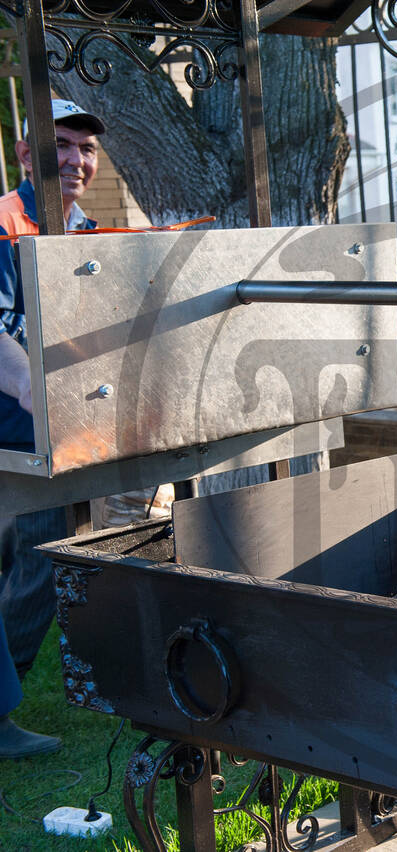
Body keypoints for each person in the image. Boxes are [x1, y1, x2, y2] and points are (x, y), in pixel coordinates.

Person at [0, 102, 105, 758]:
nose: (75, 160)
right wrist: (27, 385)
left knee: (43, 564)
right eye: (60, 145)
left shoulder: (87, 234)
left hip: (65, 436)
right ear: (23, 153)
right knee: (27, 564)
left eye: (85, 150)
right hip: (12, 430)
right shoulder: (3, 223)